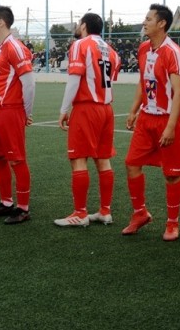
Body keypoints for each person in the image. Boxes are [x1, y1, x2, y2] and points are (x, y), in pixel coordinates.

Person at [122, 4, 180, 241]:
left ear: (161, 24)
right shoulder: (143, 49)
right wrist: (133, 111)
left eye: (148, 18)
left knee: (171, 174)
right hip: (146, 118)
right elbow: (143, 82)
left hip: (168, 120)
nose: (144, 22)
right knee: (131, 163)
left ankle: (172, 223)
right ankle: (140, 213)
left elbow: (179, 93)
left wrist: (170, 127)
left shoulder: (174, 53)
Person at [54, 12, 121, 227]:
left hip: (86, 109)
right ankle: (105, 211)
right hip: (106, 109)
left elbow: (74, 79)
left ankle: (80, 213)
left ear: (84, 25)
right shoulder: (112, 51)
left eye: (78, 22)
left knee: (78, 158)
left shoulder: (80, 45)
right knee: (103, 159)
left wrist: (64, 109)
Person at [0, 5, 36, 225]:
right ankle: (5, 202)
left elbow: (29, 82)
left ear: (1, 22)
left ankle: (23, 208)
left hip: (9, 110)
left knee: (17, 159)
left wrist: (26, 111)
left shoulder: (15, 47)